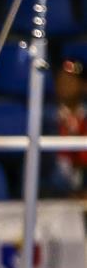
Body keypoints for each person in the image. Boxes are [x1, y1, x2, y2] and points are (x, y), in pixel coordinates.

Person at [47, 58, 87, 196]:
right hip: (51, 193)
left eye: (70, 80)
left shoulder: (84, 119)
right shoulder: (45, 119)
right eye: (61, 80)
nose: (65, 85)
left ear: (84, 85)